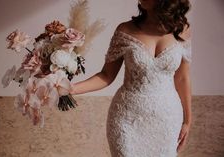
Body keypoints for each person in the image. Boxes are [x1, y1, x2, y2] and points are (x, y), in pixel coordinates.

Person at [69, 0, 192, 156]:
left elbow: (182, 78)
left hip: (167, 120)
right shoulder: (125, 29)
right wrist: (70, 89)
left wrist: (188, 120)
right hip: (126, 118)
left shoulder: (183, 30)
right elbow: (106, 76)